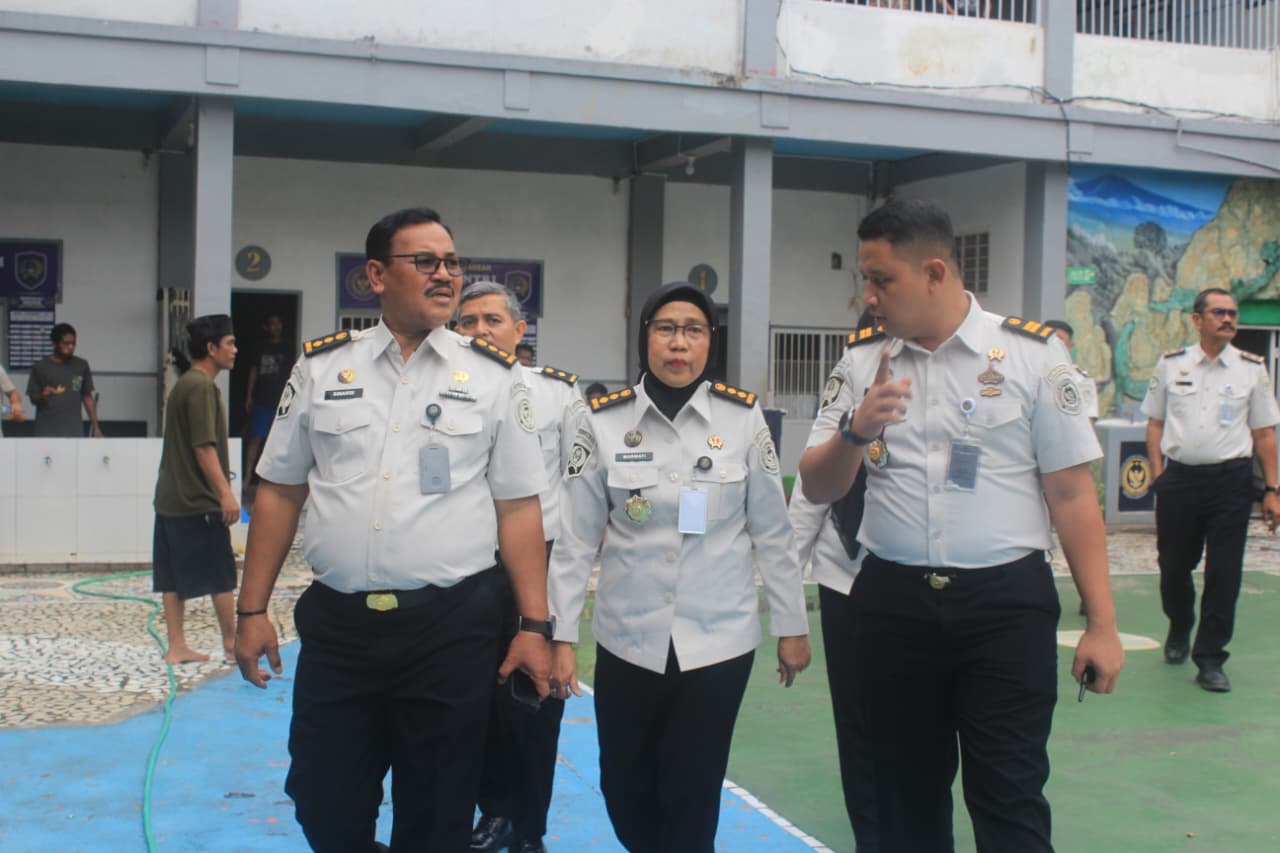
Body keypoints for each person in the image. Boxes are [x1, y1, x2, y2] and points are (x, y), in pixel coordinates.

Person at [799, 198, 1124, 853]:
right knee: (904, 804)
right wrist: (857, 430)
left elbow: (1071, 494)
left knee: (1010, 799)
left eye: (881, 279)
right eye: (865, 279)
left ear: (935, 273)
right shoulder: (862, 363)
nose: (868, 296)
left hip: (1005, 610)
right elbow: (816, 484)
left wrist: (1102, 623)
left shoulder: (1032, 356)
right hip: (892, 608)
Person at [233, 207, 553, 853]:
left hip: (448, 631)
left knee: (436, 816)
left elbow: (519, 507)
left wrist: (534, 626)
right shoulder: (322, 368)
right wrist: (251, 609)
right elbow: (281, 491)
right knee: (323, 802)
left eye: (452, 262)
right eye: (425, 261)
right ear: (376, 275)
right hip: (340, 629)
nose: (445, 275)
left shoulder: (493, 378)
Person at [549, 281, 811, 853]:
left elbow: (773, 531)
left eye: (693, 330)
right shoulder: (604, 421)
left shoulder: (741, 419)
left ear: (709, 341)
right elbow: (575, 539)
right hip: (628, 638)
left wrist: (792, 627)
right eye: (665, 328)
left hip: (718, 641)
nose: (678, 343)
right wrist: (560, 636)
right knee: (625, 787)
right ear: (645, 337)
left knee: (692, 791)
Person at [456, 281, 586, 853]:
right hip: (463, 567)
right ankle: (490, 811)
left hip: (537, 568)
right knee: (469, 702)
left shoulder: (557, 394)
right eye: (467, 322)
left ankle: (526, 827)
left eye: (491, 320)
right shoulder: (441, 393)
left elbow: (581, 491)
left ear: (518, 329)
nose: (480, 331)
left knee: (532, 705)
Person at [1140, 287, 1280, 693]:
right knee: (1173, 566)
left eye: (1233, 313)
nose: (1229, 319)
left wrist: (1272, 489)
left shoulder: (1252, 369)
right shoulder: (1171, 365)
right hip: (1180, 481)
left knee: (1224, 573)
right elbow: (1155, 423)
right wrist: (1159, 475)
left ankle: (1211, 657)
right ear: (1197, 319)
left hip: (1231, 483)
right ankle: (1180, 623)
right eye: (1219, 312)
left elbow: (1264, 434)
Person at [788, 472, 878, 851]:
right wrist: (789, 619)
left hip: (932, 581)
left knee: (928, 732)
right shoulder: (838, 423)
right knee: (859, 731)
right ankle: (871, 841)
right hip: (847, 581)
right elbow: (808, 502)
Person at [152, 314, 240, 664]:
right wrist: (225, 493)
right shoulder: (201, 387)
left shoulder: (184, 384)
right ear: (211, 348)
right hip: (197, 501)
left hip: (170, 499)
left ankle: (176, 645)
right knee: (221, 575)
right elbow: (203, 446)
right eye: (230, 343)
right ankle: (232, 644)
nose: (235, 350)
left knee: (172, 577)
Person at [242, 313, 293, 505]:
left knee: (275, 442)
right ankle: (247, 478)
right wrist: (249, 395)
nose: (276, 327)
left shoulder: (288, 347)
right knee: (255, 439)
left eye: (278, 323)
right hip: (262, 401)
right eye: (272, 324)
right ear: (266, 327)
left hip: (281, 402)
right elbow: (254, 370)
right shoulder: (260, 347)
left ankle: (268, 481)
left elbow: (294, 373)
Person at [26, 322, 103, 437]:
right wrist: (43, 396)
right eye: (66, 343)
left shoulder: (81, 365)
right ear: (54, 343)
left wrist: (96, 427)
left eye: (73, 343)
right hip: (46, 431)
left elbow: (87, 397)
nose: (71, 347)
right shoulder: (40, 367)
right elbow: (33, 399)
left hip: (74, 431)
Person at [1043, 320, 1099, 423]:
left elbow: (1088, 419)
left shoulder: (1081, 380)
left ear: (1070, 345)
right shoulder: (1028, 373)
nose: (1053, 343)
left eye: (1059, 339)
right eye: (1049, 337)